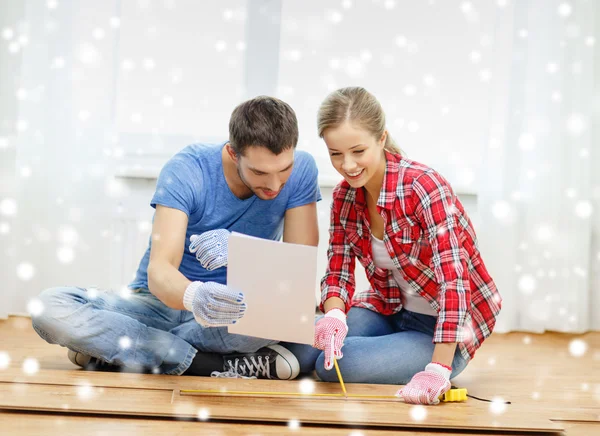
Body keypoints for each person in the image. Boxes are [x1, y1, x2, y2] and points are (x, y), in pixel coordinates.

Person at [31, 96, 322, 380]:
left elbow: (296, 269)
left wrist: (241, 250)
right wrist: (195, 295)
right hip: (158, 305)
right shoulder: (188, 169)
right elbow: (160, 272)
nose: (274, 184)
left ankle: (125, 348)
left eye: (284, 169)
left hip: (232, 312)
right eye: (259, 172)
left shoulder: (303, 170)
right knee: (49, 307)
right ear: (234, 154)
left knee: (291, 313)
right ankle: (203, 363)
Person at [312, 87, 502, 405]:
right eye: (335, 154)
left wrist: (439, 368)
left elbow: (454, 284)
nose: (347, 165)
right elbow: (338, 268)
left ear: (382, 138)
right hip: (391, 308)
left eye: (358, 151)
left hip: (440, 327)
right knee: (309, 339)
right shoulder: (345, 197)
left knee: (329, 365)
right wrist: (333, 315)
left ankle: (426, 358)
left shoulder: (424, 188)